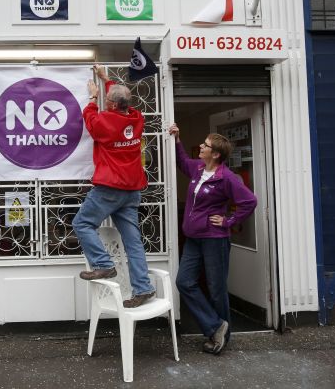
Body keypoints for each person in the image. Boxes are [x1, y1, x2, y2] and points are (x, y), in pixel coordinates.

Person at [168, 123, 257, 354]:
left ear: (215, 154)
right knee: (184, 282)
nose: (201, 146)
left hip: (214, 238)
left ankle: (221, 338)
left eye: (205, 145)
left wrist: (228, 221)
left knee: (216, 288)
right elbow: (182, 162)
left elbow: (249, 201)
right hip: (194, 237)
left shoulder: (226, 178)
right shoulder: (198, 169)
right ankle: (215, 326)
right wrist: (177, 140)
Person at [73, 65, 155, 308]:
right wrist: (107, 80)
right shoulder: (136, 118)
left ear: (109, 104)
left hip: (109, 188)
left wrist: (92, 96)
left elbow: (88, 116)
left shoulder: (104, 121)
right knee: (133, 241)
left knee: (82, 223)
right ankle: (143, 288)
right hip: (132, 189)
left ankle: (103, 264)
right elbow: (122, 100)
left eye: (107, 100)